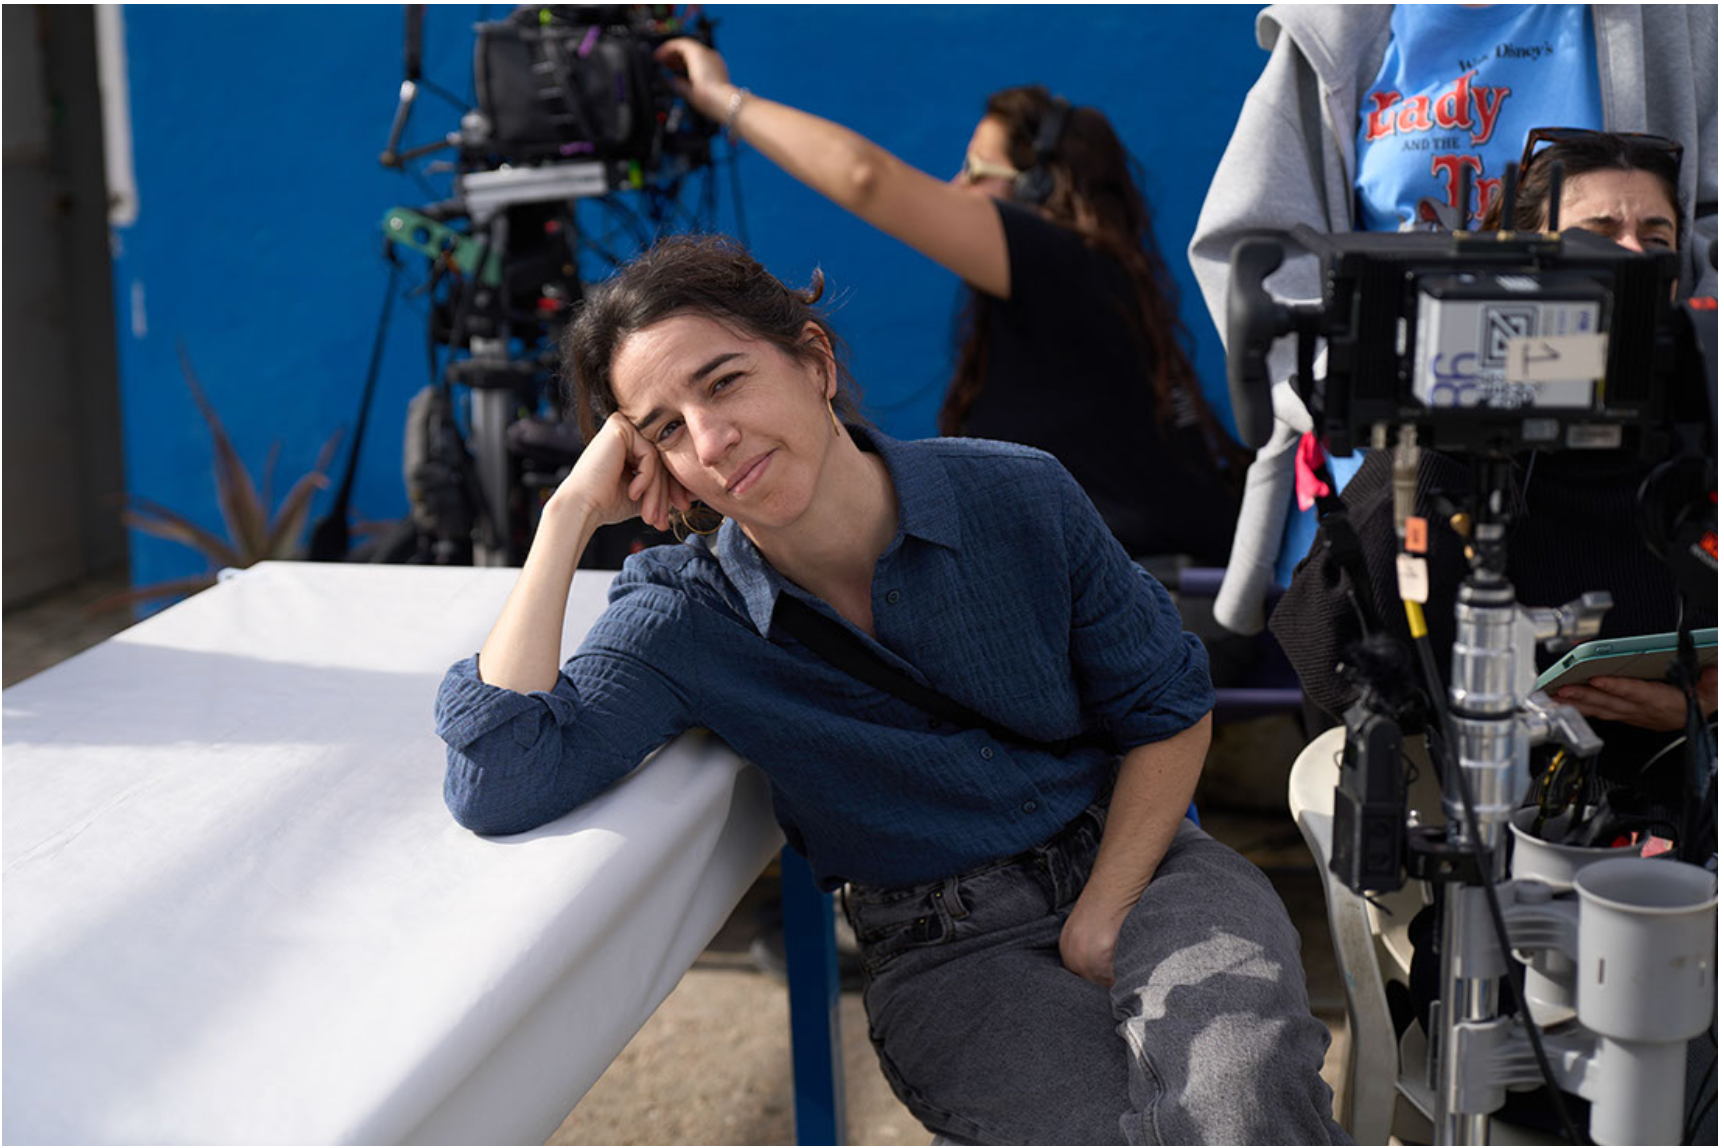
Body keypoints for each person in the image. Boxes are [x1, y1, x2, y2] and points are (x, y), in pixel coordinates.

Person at [434, 236, 1348, 1144]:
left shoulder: (1017, 495)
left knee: (1244, 1100)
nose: (711, 441)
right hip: (951, 953)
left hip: (1146, 869)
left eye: (725, 382)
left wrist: (1106, 904)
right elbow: (500, 776)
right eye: (666, 429)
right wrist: (567, 517)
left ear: (815, 362)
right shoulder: (686, 615)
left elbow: (1168, 708)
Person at [1187, 4, 1717, 636]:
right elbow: (1256, 249)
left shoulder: (1677, 20)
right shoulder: (1341, 28)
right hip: (1391, 468)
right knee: (1378, 659)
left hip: (1614, 476)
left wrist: (1684, 360)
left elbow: (1702, 220)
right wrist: (1349, 379)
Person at [650, 38, 1245, 565]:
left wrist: (720, 97)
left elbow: (864, 177)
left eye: (977, 170)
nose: (957, 187)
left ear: (1039, 186)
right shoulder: (1090, 277)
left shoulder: (1056, 256)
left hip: (1151, 592)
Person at [1273, 127, 1717, 799]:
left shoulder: (1701, 411)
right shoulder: (1450, 435)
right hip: (1491, 804)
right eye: (1595, 238)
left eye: (1655, 241)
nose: (1632, 257)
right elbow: (1334, 660)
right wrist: (1451, 427)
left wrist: (1706, 704)